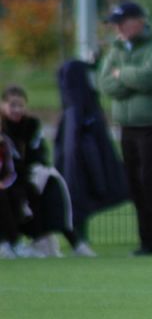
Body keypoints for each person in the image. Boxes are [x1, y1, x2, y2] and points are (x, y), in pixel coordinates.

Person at [97, 0, 152, 256]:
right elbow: (105, 83)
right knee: (134, 182)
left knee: (149, 178)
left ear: (139, 21)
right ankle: (148, 241)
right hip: (127, 123)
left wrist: (121, 74)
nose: (118, 29)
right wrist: (129, 78)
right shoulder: (117, 47)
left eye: (122, 23)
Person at [1, 85, 93, 257]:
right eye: (12, 105)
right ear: (3, 105)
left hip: (23, 175)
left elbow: (38, 154)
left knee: (53, 186)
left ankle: (74, 242)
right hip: (8, 178)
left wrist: (37, 169)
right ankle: (10, 242)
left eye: (21, 105)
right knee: (11, 194)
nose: (17, 110)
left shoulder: (31, 126)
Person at [53, 59, 130, 244]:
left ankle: (79, 236)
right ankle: (79, 238)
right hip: (87, 163)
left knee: (78, 193)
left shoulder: (72, 109)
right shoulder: (83, 108)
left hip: (83, 163)